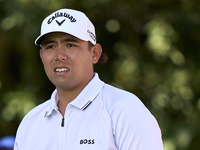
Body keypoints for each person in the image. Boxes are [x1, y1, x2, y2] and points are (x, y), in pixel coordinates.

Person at [14, 8, 164, 150]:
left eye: (70, 44)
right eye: (50, 46)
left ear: (95, 53)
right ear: (42, 56)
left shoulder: (124, 110)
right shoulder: (31, 122)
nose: (59, 56)